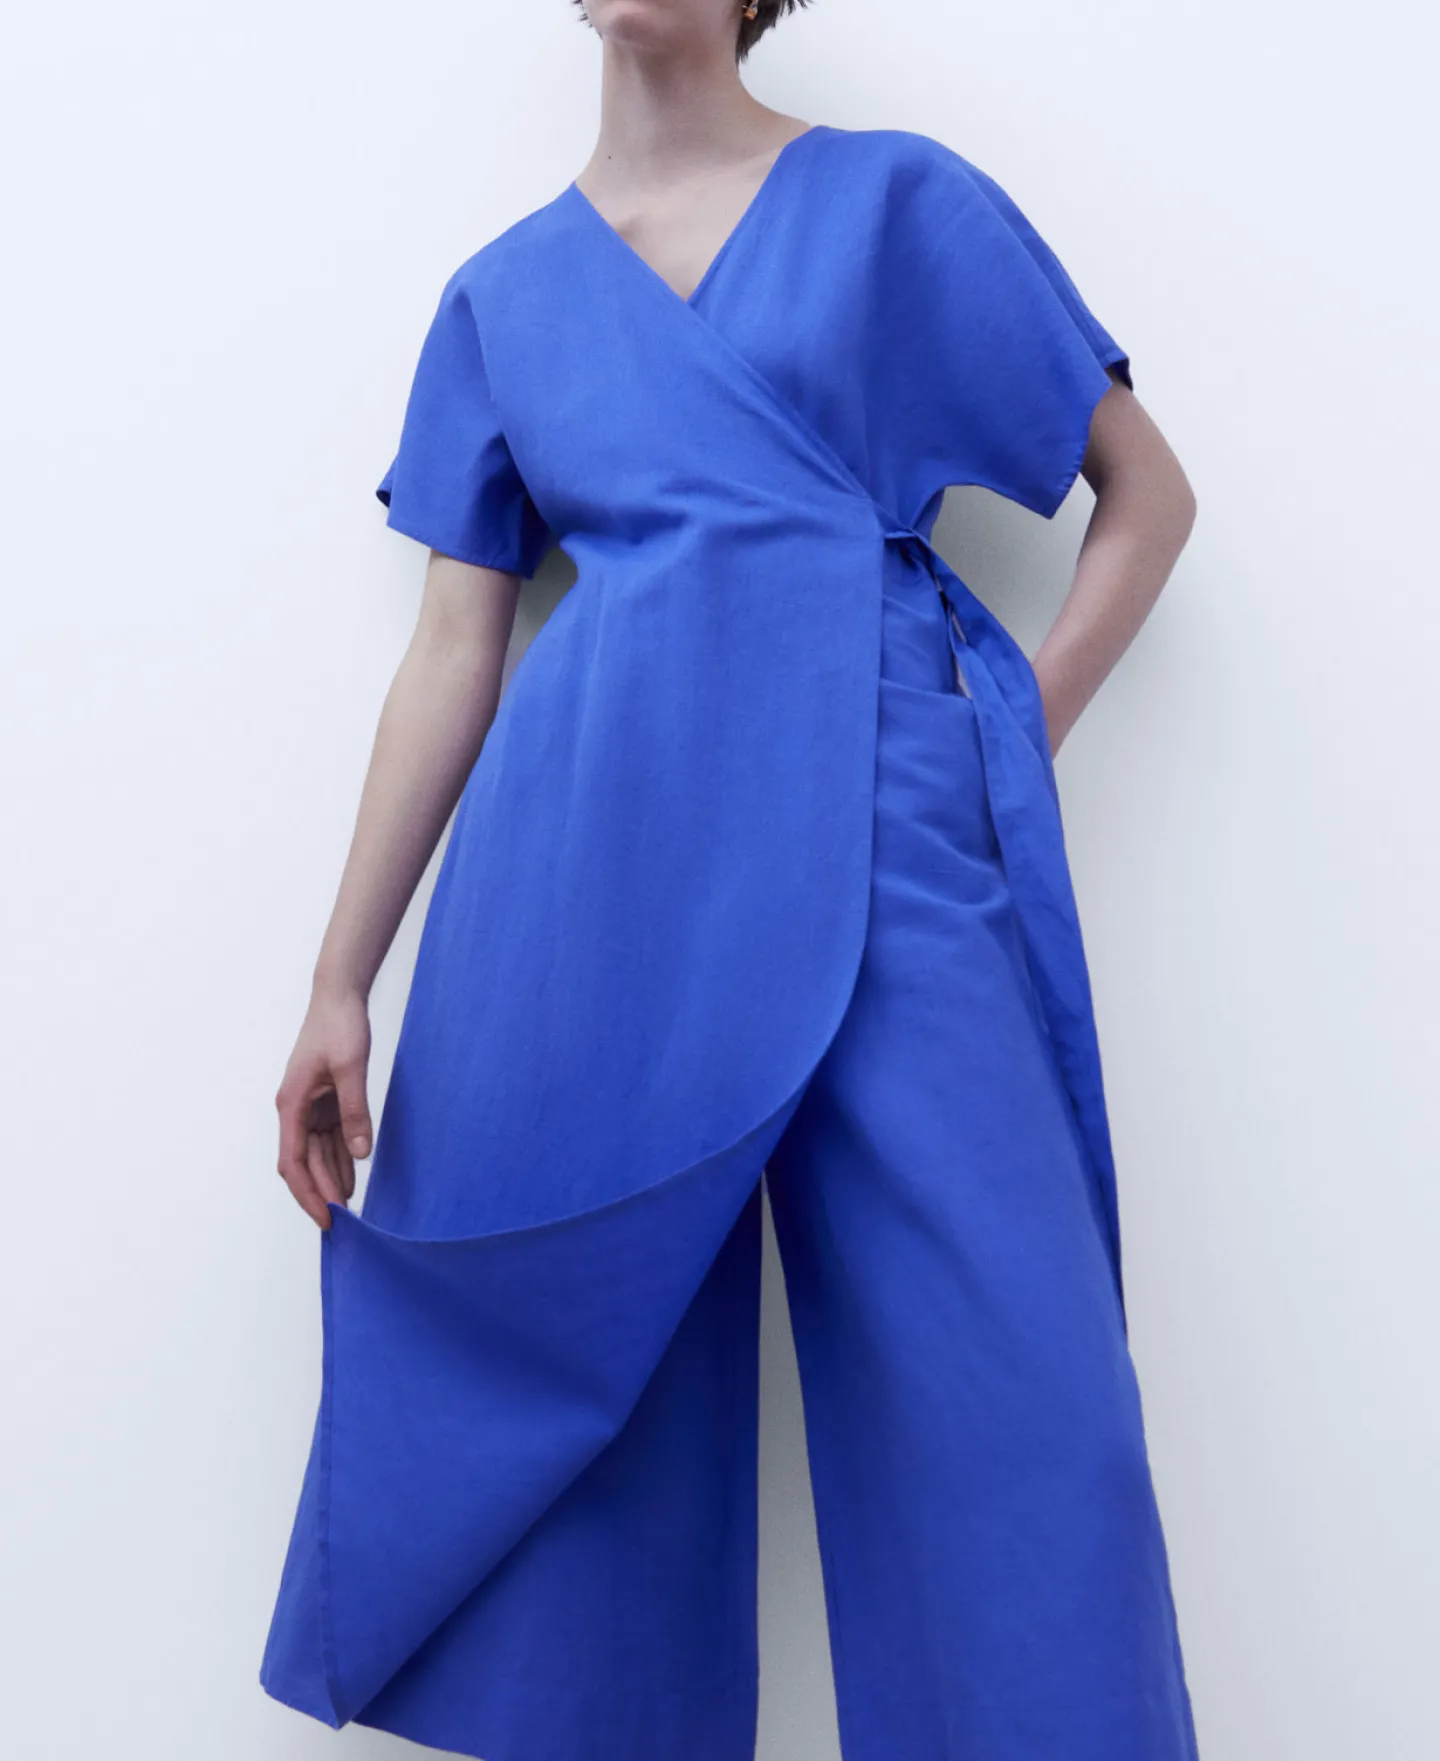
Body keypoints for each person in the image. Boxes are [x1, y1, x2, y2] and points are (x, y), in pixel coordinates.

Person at [260, 3, 1201, 1759]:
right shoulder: (502, 297)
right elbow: (454, 652)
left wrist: (1003, 740)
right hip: (588, 869)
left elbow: (1145, 496)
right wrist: (340, 978)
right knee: (577, 1405)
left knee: (1023, 1403)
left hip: (888, 833)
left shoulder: (896, 202)